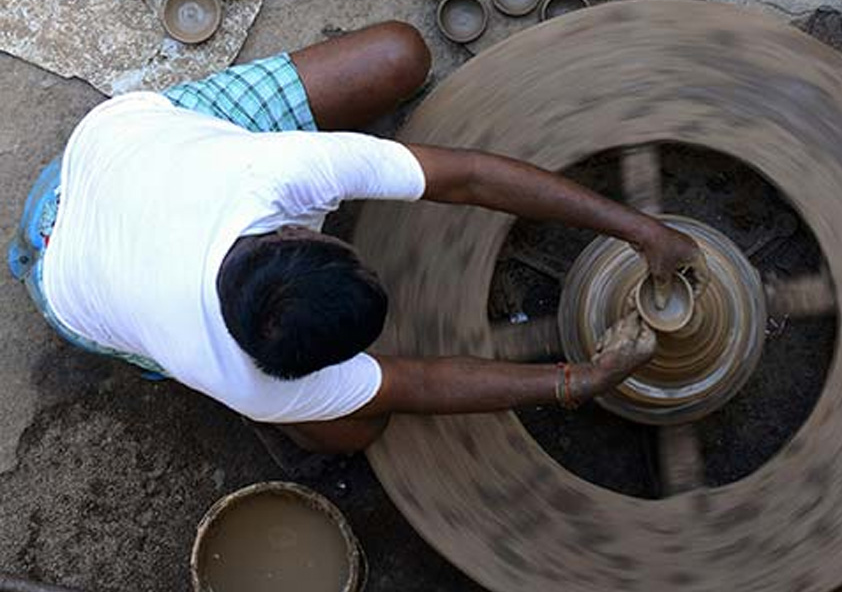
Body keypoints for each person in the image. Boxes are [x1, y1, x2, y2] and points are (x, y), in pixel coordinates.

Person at [6, 22, 710, 454]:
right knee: (352, 433)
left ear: (296, 230)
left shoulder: (279, 170)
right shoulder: (249, 384)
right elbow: (418, 381)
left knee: (398, 55)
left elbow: (464, 178)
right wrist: (575, 381)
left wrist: (637, 228)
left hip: (113, 150)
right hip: (63, 283)